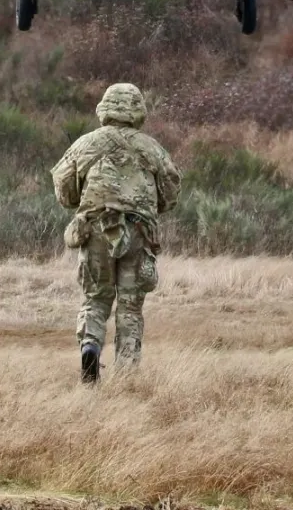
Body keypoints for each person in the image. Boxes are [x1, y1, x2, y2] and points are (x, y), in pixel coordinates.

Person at [51, 82, 180, 383]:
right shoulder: (152, 148)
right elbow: (171, 191)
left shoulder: (86, 144)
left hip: (95, 229)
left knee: (96, 297)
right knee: (130, 306)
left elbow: (64, 188)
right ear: (138, 111)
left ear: (104, 109)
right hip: (138, 232)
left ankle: (90, 345)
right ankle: (126, 375)